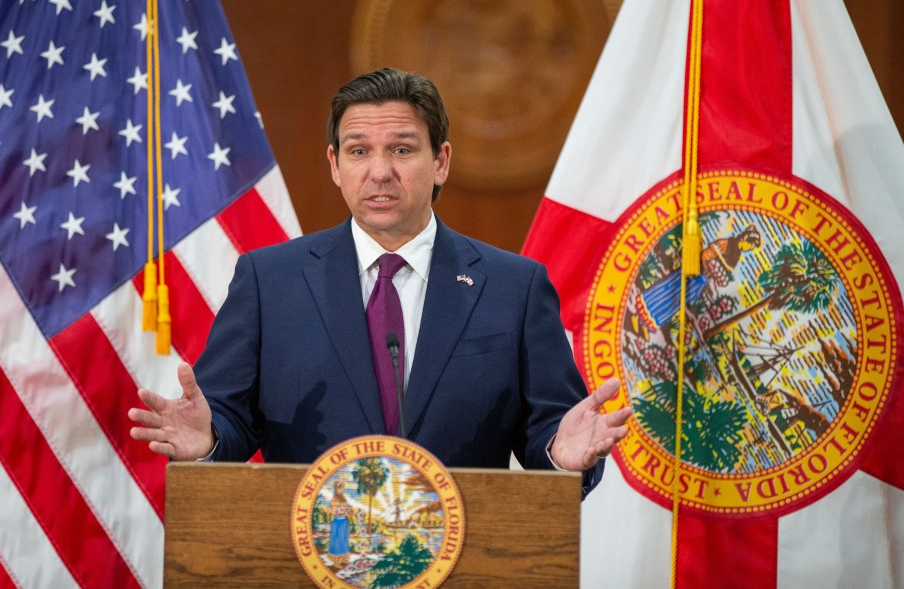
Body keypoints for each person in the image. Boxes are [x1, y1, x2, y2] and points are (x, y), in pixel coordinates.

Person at [129, 68, 631, 497]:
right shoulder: (269, 281)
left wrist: (563, 457)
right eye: (359, 150)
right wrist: (209, 440)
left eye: (402, 149)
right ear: (335, 165)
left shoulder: (513, 288)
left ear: (440, 162)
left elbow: (552, 436)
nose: (380, 172)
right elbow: (230, 421)